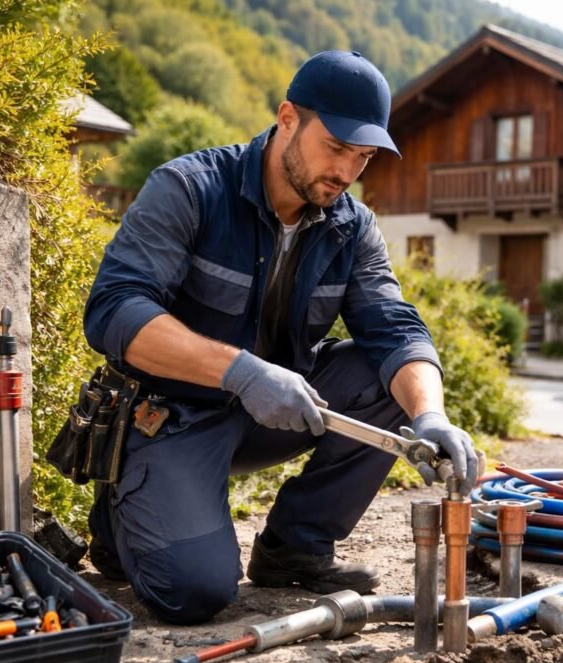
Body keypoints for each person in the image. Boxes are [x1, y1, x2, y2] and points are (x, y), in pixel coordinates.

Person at [83, 50, 480, 625]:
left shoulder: (352, 226)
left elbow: (395, 327)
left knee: (386, 378)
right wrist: (241, 371)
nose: (346, 171)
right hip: (171, 417)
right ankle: (119, 518)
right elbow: (115, 312)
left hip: (273, 411)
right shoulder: (190, 189)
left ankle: (295, 547)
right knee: (194, 592)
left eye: (363, 157)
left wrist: (431, 415)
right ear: (288, 118)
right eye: (336, 147)